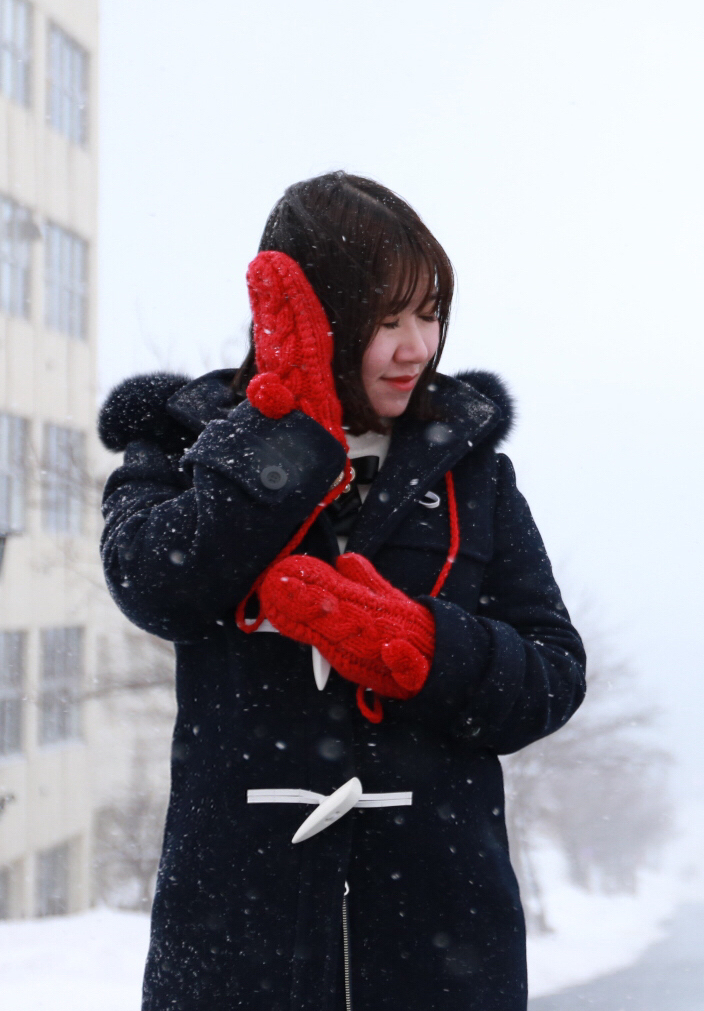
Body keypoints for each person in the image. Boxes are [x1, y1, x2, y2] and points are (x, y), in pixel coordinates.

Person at [98, 172, 586, 1010]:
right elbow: (153, 585)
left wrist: (429, 651)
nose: (416, 348)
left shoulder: (474, 475)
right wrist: (288, 436)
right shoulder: (185, 445)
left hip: (441, 945)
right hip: (237, 946)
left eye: (429, 315)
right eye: (385, 320)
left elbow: (553, 674)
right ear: (313, 318)